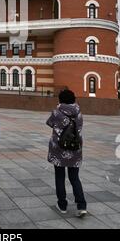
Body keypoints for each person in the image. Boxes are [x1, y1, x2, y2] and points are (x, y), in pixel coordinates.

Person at [46, 89, 87, 217]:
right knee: (75, 178)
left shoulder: (56, 112)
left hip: (59, 149)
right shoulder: (79, 113)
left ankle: (62, 205)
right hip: (75, 148)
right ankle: (81, 206)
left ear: (60, 100)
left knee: (60, 177)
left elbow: (49, 123)